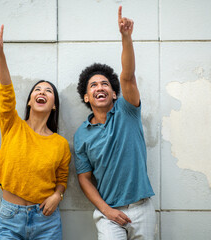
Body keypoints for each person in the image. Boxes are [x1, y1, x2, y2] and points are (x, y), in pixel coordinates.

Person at [74, 6, 156, 240]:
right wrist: (107, 210)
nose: (99, 87)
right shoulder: (82, 134)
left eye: (105, 84)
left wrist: (126, 38)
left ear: (114, 94)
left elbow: (127, 76)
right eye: (93, 86)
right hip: (108, 213)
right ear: (86, 97)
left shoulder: (127, 110)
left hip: (142, 208)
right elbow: (84, 178)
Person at [0, 25, 71, 240]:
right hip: (9, 217)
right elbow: (6, 91)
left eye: (48, 91)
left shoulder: (60, 143)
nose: (42, 92)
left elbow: (62, 178)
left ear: (53, 105)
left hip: (46, 219)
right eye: (38, 89)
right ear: (30, 100)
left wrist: (57, 195)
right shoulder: (12, 124)